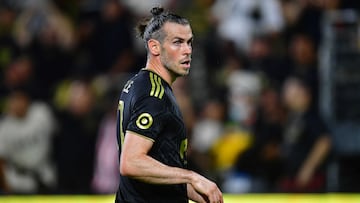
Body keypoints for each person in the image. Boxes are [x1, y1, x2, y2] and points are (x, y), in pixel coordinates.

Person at [115, 7, 223, 203]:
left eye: (189, 42)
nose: (188, 50)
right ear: (155, 47)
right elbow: (131, 162)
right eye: (178, 42)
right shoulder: (153, 95)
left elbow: (159, 169)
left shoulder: (141, 84)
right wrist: (191, 176)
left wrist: (197, 193)